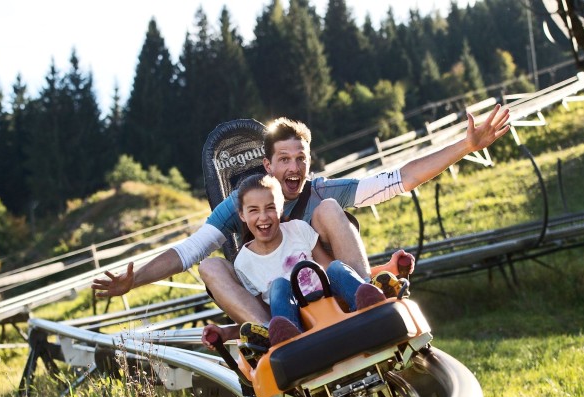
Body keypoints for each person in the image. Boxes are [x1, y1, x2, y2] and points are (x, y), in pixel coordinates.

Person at [92, 105, 511, 326]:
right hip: (275, 301)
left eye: (301, 158)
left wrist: (465, 146)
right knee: (211, 266)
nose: (294, 168)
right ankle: (272, 334)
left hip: (329, 283)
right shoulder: (242, 205)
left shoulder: (319, 190)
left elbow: (396, 180)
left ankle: (364, 298)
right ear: (268, 167)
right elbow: (188, 251)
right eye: (284, 160)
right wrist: (136, 279)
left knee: (330, 209)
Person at [200, 173, 391, 351]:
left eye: (270, 208)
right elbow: (259, 309)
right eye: (253, 210)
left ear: (281, 207)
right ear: (242, 215)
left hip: (326, 298)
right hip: (292, 314)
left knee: (336, 267)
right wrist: (229, 331)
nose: (263, 217)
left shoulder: (298, 229)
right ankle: (287, 334)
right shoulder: (244, 262)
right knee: (279, 286)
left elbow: (324, 266)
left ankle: (366, 299)